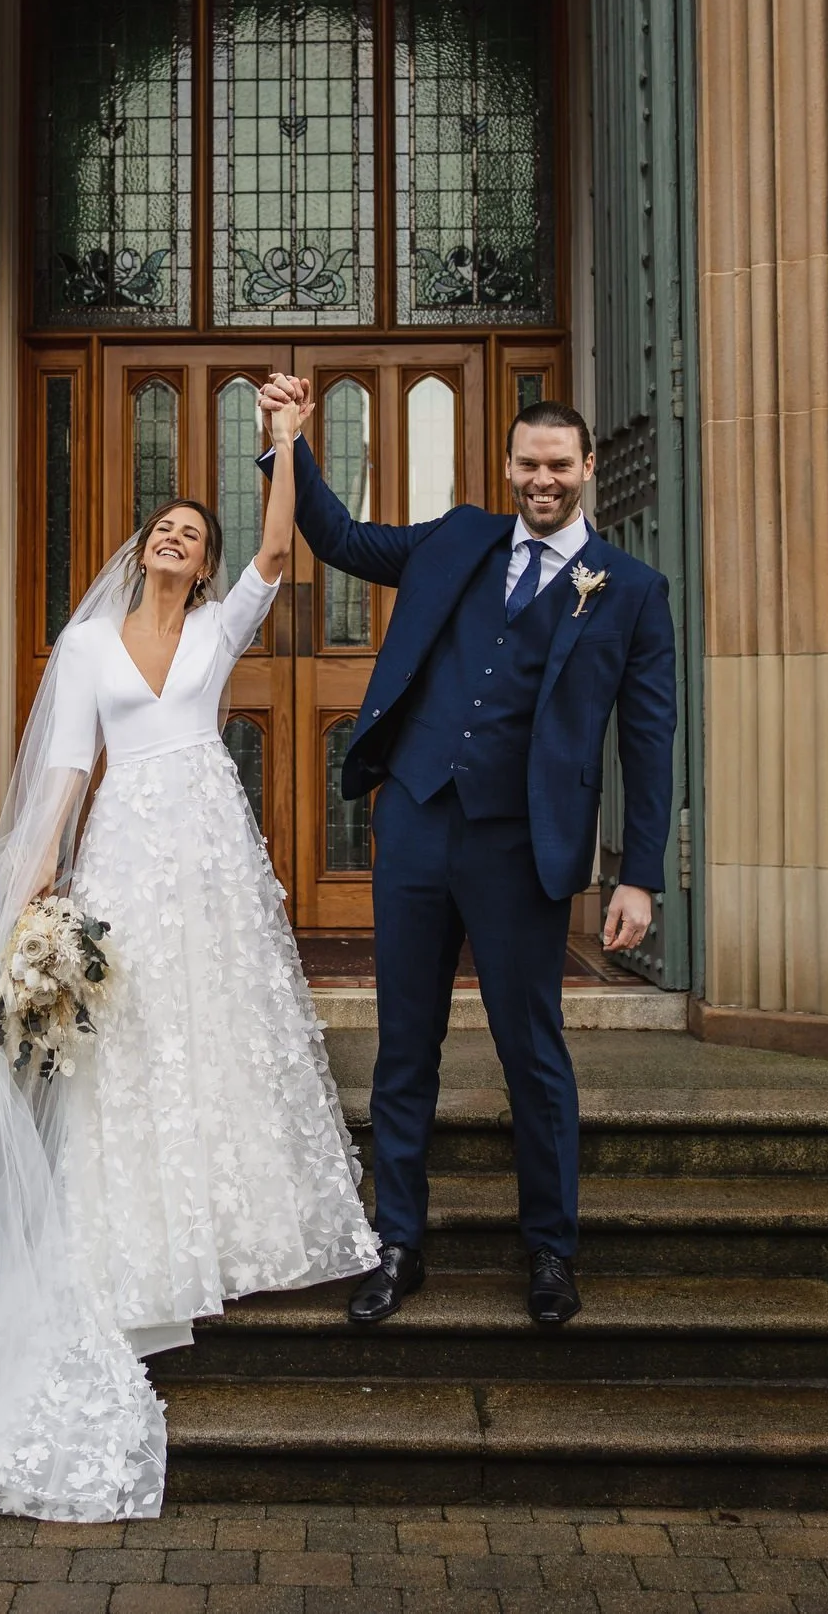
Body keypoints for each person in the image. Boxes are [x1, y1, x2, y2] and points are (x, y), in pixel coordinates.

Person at [0, 391, 375, 1533]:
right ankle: (131, 1234)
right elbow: (65, 767)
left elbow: (281, 548)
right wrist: (37, 871)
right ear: (142, 549)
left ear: (205, 566)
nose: (176, 541)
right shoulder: (90, 645)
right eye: (164, 529)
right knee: (133, 1035)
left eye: (192, 536)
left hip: (209, 853)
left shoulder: (220, 629)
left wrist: (287, 441)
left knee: (218, 1023)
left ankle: (231, 1218)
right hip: (126, 849)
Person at [256, 378, 676, 1331]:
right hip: (415, 823)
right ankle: (397, 1241)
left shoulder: (631, 591)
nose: (542, 479)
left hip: (524, 846)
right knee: (405, 1043)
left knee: (533, 1050)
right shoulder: (457, 538)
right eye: (528, 464)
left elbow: (649, 743)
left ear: (588, 468)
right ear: (510, 466)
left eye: (558, 465)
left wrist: (640, 875)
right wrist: (289, 442)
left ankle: (551, 1249)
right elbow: (343, 540)